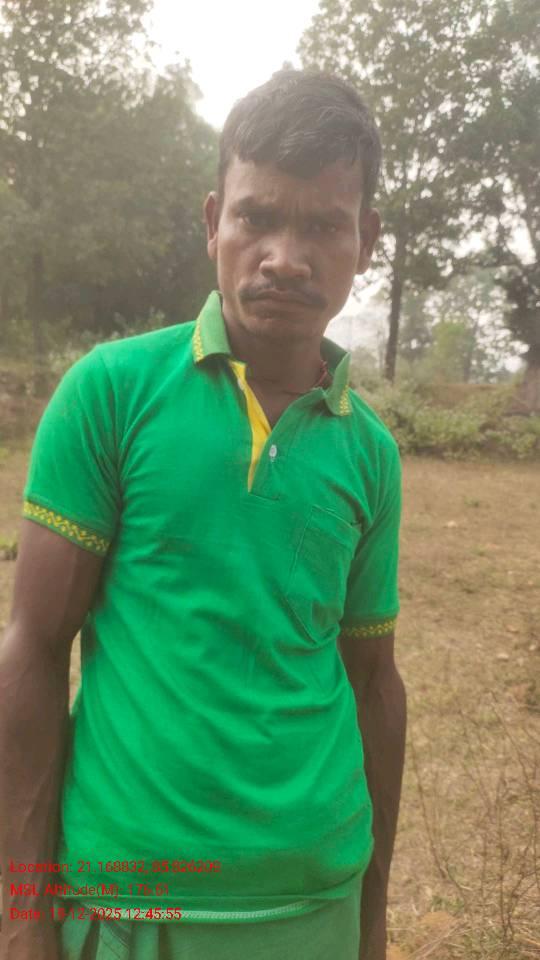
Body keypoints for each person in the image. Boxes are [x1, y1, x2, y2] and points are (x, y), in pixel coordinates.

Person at [0, 69, 406, 960]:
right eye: (257, 217)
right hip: (131, 911)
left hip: (316, 907)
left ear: (367, 240)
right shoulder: (110, 395)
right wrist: (24, 915)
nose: (284, 257)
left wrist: (371, 917)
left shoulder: (370, 453)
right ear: (213, 221)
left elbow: (373, 682)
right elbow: (32, 647)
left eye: (323, 225)